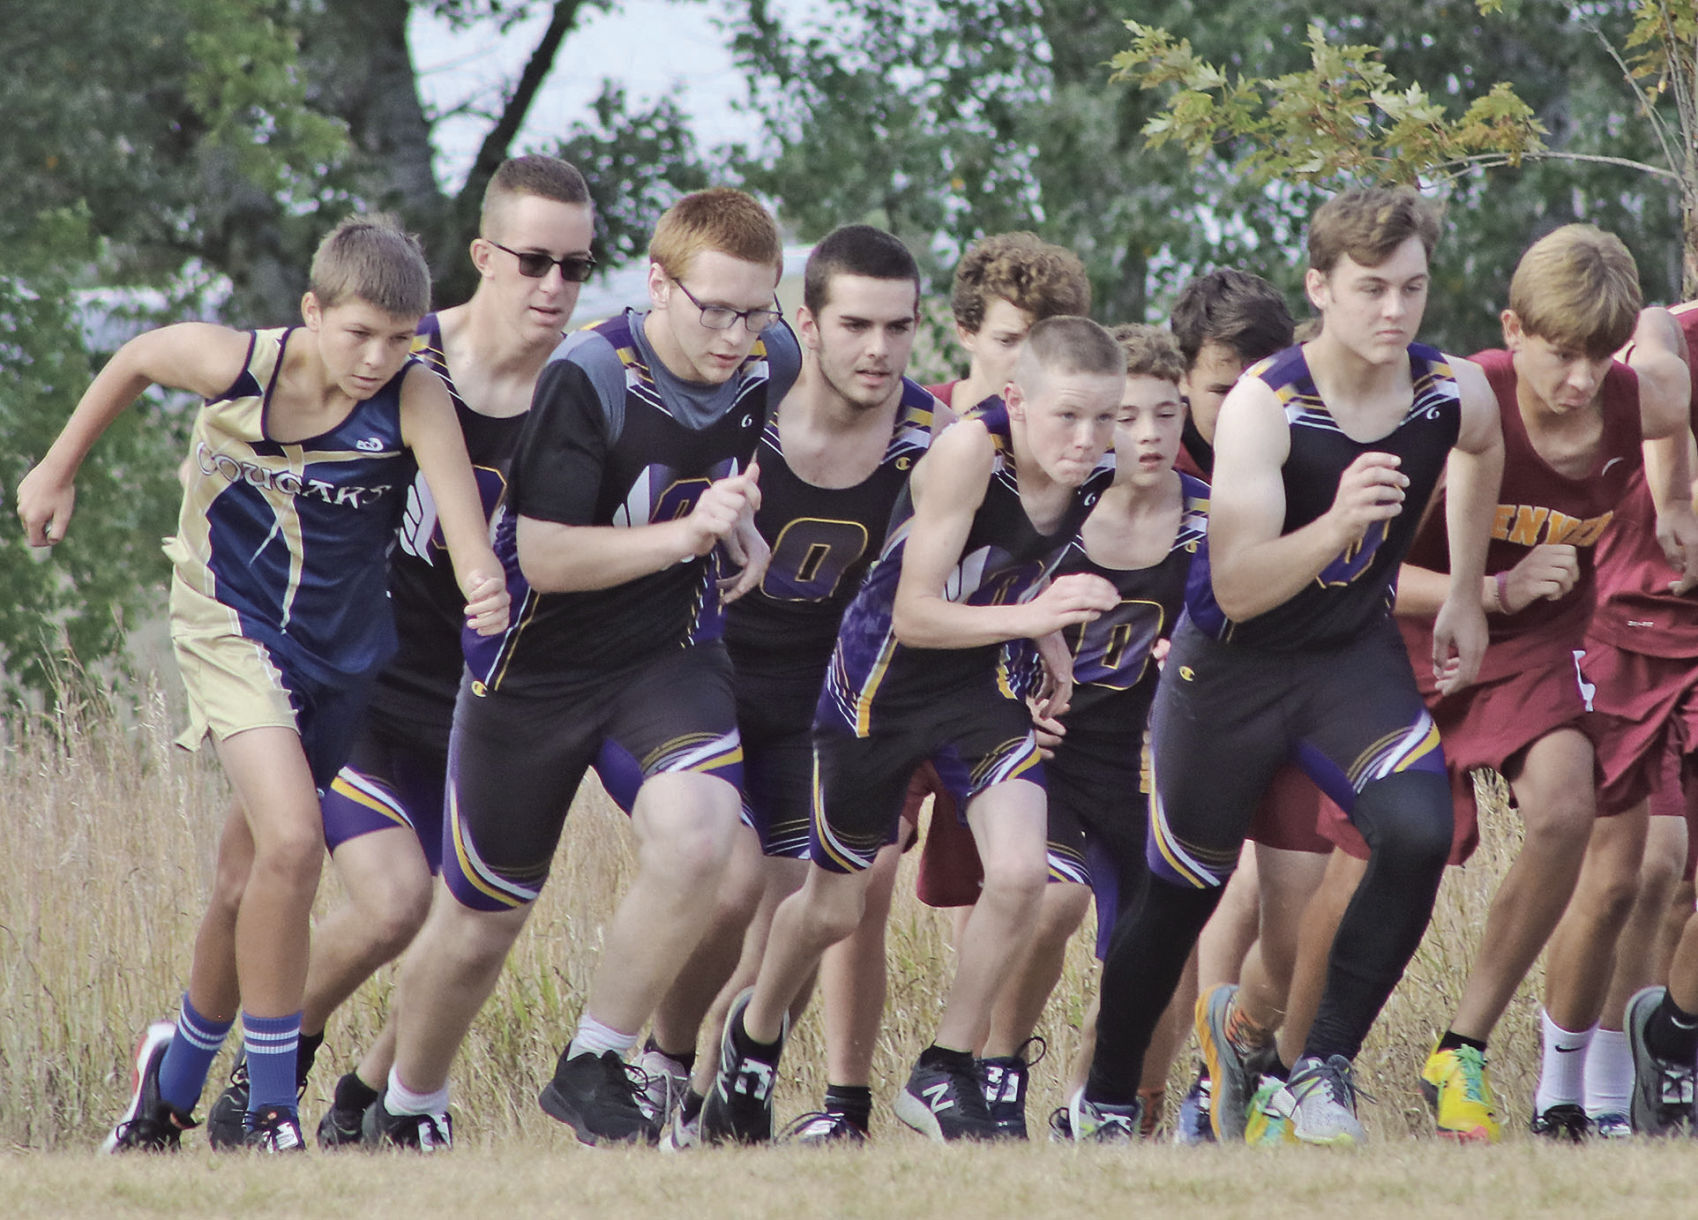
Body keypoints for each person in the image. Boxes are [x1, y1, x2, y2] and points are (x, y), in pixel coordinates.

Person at [16, 215, 509, 1153]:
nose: (377, 356)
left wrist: (484, 584)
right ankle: (274, 1105)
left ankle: (171, 1081)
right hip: (228, 626)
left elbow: (466, 529)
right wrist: (57, 467)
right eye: (358, 332)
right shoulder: (234, 364)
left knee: (249, 879)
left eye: (401, 338)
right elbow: (134, 358)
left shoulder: (414, 395)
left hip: (345, 657)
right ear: (312, 311)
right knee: (293, 842)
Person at [361, 188, 800, 1150]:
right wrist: (692, 532)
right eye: (712, 308)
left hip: (667, 659)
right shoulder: (590, 376)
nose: (734, 334)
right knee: (481, 922)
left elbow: (727, 462)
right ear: (656, 282)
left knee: (704, 836)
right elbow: (549, 558)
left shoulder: (775, 358)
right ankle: (406, 1107)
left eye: (754, 310)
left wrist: (745, 528)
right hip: (533, 675)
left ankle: (599, 1056)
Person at [1071, 187, 1502, 1145]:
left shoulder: (1446, 387)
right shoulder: (1270, 404)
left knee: (1420, 828)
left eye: (1413, 288)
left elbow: (1483, 442)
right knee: (1180, 898)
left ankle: (1323, 1069)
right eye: (1371, 289)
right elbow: (1235, 585)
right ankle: (1103, 1100)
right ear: (1321, 286)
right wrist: (1342, 521)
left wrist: (1467, 589)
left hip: (1349, 663)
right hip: (1228, 676)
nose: (1394, 311)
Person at [198, 156, 597, 1148]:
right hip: (366, 688)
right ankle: (263, 1065)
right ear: (484, 255)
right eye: (535, 260)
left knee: (475, 917)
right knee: (390, 904)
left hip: (489, 705)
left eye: (578, 267)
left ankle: (370, 1095)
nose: (554, 286)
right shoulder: (400, 360)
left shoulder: (587, 383)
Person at [702, 316, 1125, 1144]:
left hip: (978, 688)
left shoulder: (1097, 468)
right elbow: (916, 611)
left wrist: (1048, 641)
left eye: (1105, 417)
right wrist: (1042, 614)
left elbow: (1016, 565)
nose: (1090, 439)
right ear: (1016, 400)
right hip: (879, 690)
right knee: (832, 909)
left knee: (1021, 875)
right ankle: (751, 1049)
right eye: (1069, 416)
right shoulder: (970, 451)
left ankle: (944, 1067)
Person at [640, 224, 946, 1147]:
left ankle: (731, 1071)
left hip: (820, 706)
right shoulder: (740, 406)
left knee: (809, 903)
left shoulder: (932, 440)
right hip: (707, 676)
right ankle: (661, 1066)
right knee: (731, 889)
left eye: (898, 328)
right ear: (805, 326)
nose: (879, 349)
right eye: (856, 324)